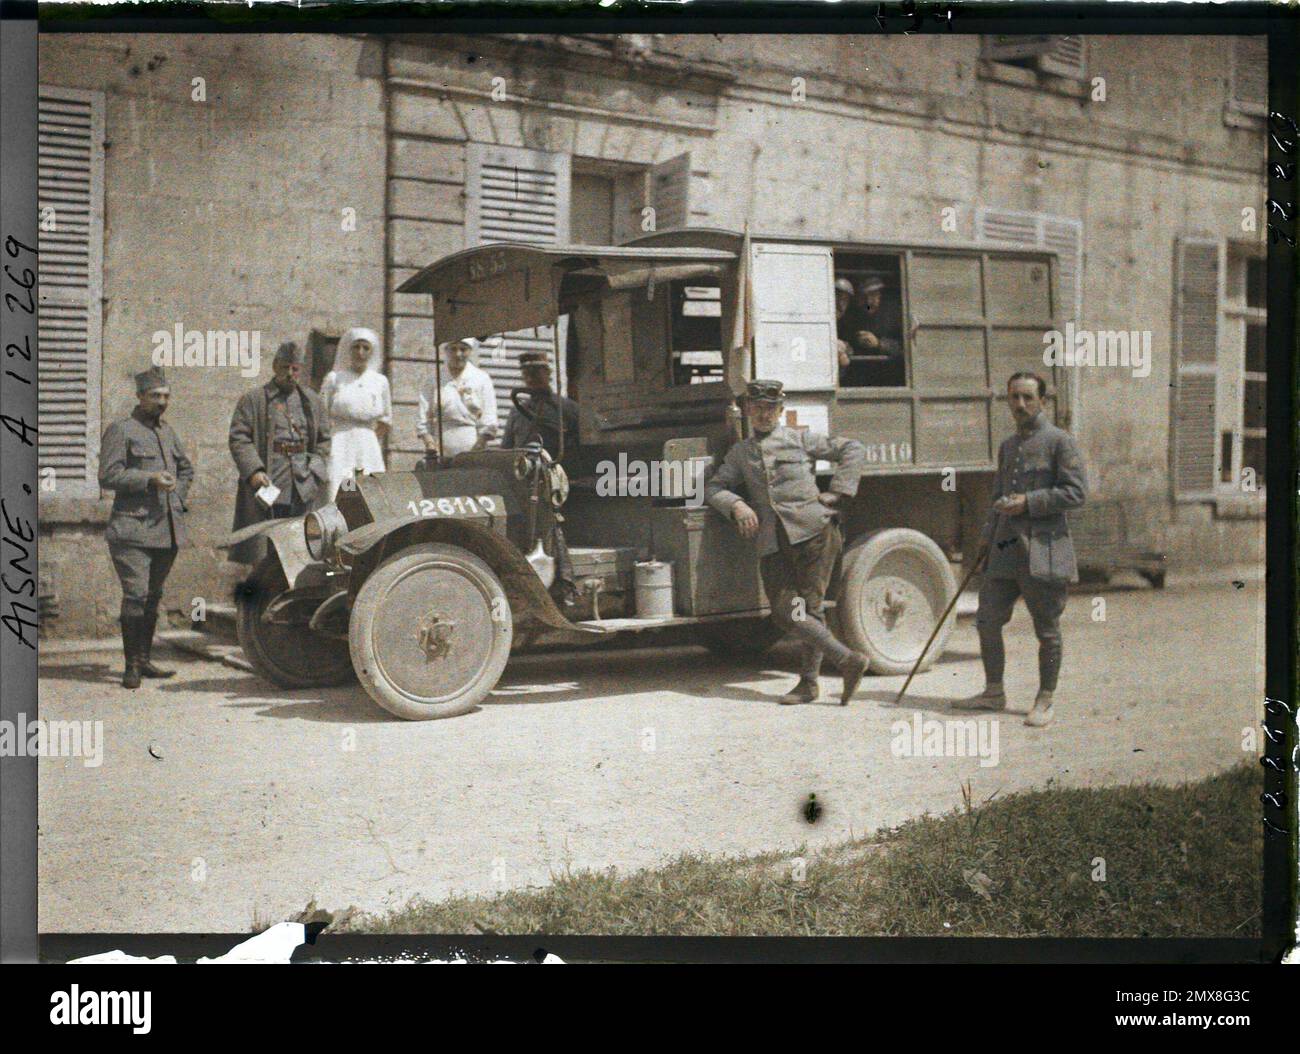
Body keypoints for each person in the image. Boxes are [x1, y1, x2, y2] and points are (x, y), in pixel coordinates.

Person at [705, 379, 870, 706]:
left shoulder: (799, 439)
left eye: (770, 408)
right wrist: (736, 505)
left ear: (781, 411)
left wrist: (838, 491)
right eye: (757, 408)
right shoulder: (740, 453)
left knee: (810, 608)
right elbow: (714, 487)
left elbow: (853, 448)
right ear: (748, 411)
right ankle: (848, 660)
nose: (763, 415)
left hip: (814, 532)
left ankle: (809, 684)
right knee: (783, 611)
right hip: (772, 540)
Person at [955, 371, 1087, 728]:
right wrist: (985, 537)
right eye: (1014, 397)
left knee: (1046, 628)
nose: (1021, 404)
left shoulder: (1060, 442)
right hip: (1004, 550)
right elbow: (997, 495)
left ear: (1042, 401)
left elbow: (1076, 493)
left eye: (1028, 397)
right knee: (986, 619)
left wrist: (1029, 501)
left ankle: (1045, 699)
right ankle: (993, 691)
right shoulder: (1008, 446)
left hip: (1043, 549)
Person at [98, 366, 194, 689]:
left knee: (153, 596)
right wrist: (149, 479)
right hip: (132, 530)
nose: (162, 402)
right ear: (140, 397)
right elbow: (108, 476)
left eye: (166, 396)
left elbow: (186, 468)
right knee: (136, 595)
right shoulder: (121, 430)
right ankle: (131, 666)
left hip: (166, 529)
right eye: (155, 396)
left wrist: (177, 497)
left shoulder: (168, 433)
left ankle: (145, 658)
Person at [227, 342, 332, 565]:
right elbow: (239, 438)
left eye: (295, 369)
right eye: (284, 368)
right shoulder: (254, 399)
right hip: (271, 478)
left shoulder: (312, 401)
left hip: (303, 483)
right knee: (265, 547)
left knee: (300, 544)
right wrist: (254, 471)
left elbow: (324, 440)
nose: (289, 374)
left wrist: (315, 472)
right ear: (275, 367)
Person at [321, 326, 391, 500]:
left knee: (369, 485)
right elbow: (321, 414)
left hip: (367, 443)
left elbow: (385, 421)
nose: (360, 352)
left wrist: (367, 438)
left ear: (371, 351)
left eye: (365, 348)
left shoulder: (379, 381)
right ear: (348, 349)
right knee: (342, 482)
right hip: (340, 440)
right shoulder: (335, 379)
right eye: (356, 347)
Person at [417, 337, 499, 459]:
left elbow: (489, 417)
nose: (458, 354)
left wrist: (479, 445)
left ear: (470, 351)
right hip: (441, 447)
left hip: (472, 446)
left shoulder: (481, 378)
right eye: (453, 349)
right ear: (446, 351)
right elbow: (423, 416)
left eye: (463, 349)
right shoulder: (434, 379)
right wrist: (430, 443)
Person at [502, 349, 579, 465]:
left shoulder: (568, 408)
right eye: (526, 375)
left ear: (548, 373)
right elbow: (506, 449)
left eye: (535, 374)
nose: (530, 379)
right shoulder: (517, 411)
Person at [840, 275, 905, 386]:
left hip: (890, 379)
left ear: (880, 295)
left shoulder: (894, 315)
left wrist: (879, 344)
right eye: (863, 297)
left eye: (873, 295)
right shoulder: (850, 317)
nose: (869, 302)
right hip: (858, 380)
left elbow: (907, 348)